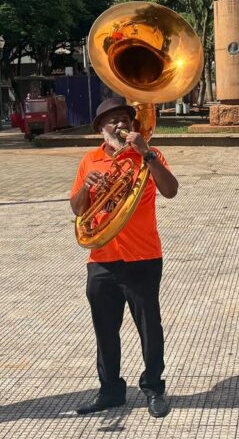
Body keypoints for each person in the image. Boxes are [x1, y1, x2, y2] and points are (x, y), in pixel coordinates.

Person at [69, 96, 179, 418]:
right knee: (104, 328)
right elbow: (77, 209)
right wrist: (86, 188)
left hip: (143, 256)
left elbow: (171, 190)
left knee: (149, 327)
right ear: (100, 129)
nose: (120, 124)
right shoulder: (89, 160)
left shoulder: (149, 155)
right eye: (112, 120)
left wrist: (147, 154)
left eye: (125, 119)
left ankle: (154, 388)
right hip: (101, 258)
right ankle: (110, 390)